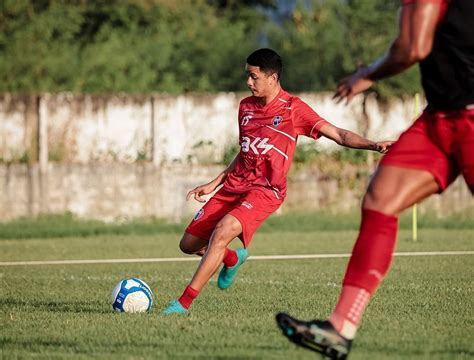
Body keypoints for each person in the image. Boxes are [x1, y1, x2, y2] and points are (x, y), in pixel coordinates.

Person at [276, 0, 473, 359]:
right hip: (441, 119)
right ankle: (340, 328)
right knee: (380, 200)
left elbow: (413, 48)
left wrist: (366, 74)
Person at [163, 48, 393, 315]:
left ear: (272, 78)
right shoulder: (245, 107)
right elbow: (246, 150)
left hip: (266, 191)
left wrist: (374, 144)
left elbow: (339, 135)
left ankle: (183, 303)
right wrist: (214, 183)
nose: (248, 83)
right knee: (188, 245)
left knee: (223, 231)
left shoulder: (293, 109)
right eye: (247, 76)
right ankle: (232, 258)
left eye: (253, 77)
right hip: (234, 185)